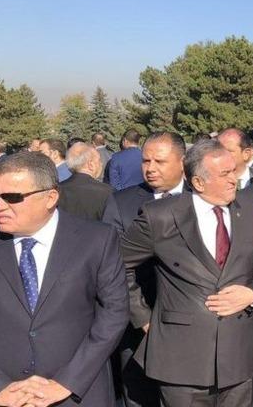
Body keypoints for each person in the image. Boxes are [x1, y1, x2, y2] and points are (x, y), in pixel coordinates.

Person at [120, 140, 253, 406]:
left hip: (240, 356)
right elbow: (117, 266)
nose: (234, 180)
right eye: (224, 174)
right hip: (181, 359)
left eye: (234, 171)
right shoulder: (161, 216)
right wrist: (143, 317)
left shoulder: (251, 211)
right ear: (199, 183)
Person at [0, 152, 129, 406]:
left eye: (12, 197)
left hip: (78, 392)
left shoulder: (96, 239)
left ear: (50, 197)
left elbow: (114, 313)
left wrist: (67, 382)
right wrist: (0, 387)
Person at [102, 132, 187, 407]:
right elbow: (111, 267)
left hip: (193, 328)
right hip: (140, 326)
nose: (150, 168)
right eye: (146, 160)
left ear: (183, 161)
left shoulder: (201, 197)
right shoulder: (122, 202)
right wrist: (143, 317)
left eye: (160, 161)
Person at [57, 142, 112, 221]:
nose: (101, 163)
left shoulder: (57, 190)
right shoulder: (107, 192)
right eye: (99, 160)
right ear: (91, 165)